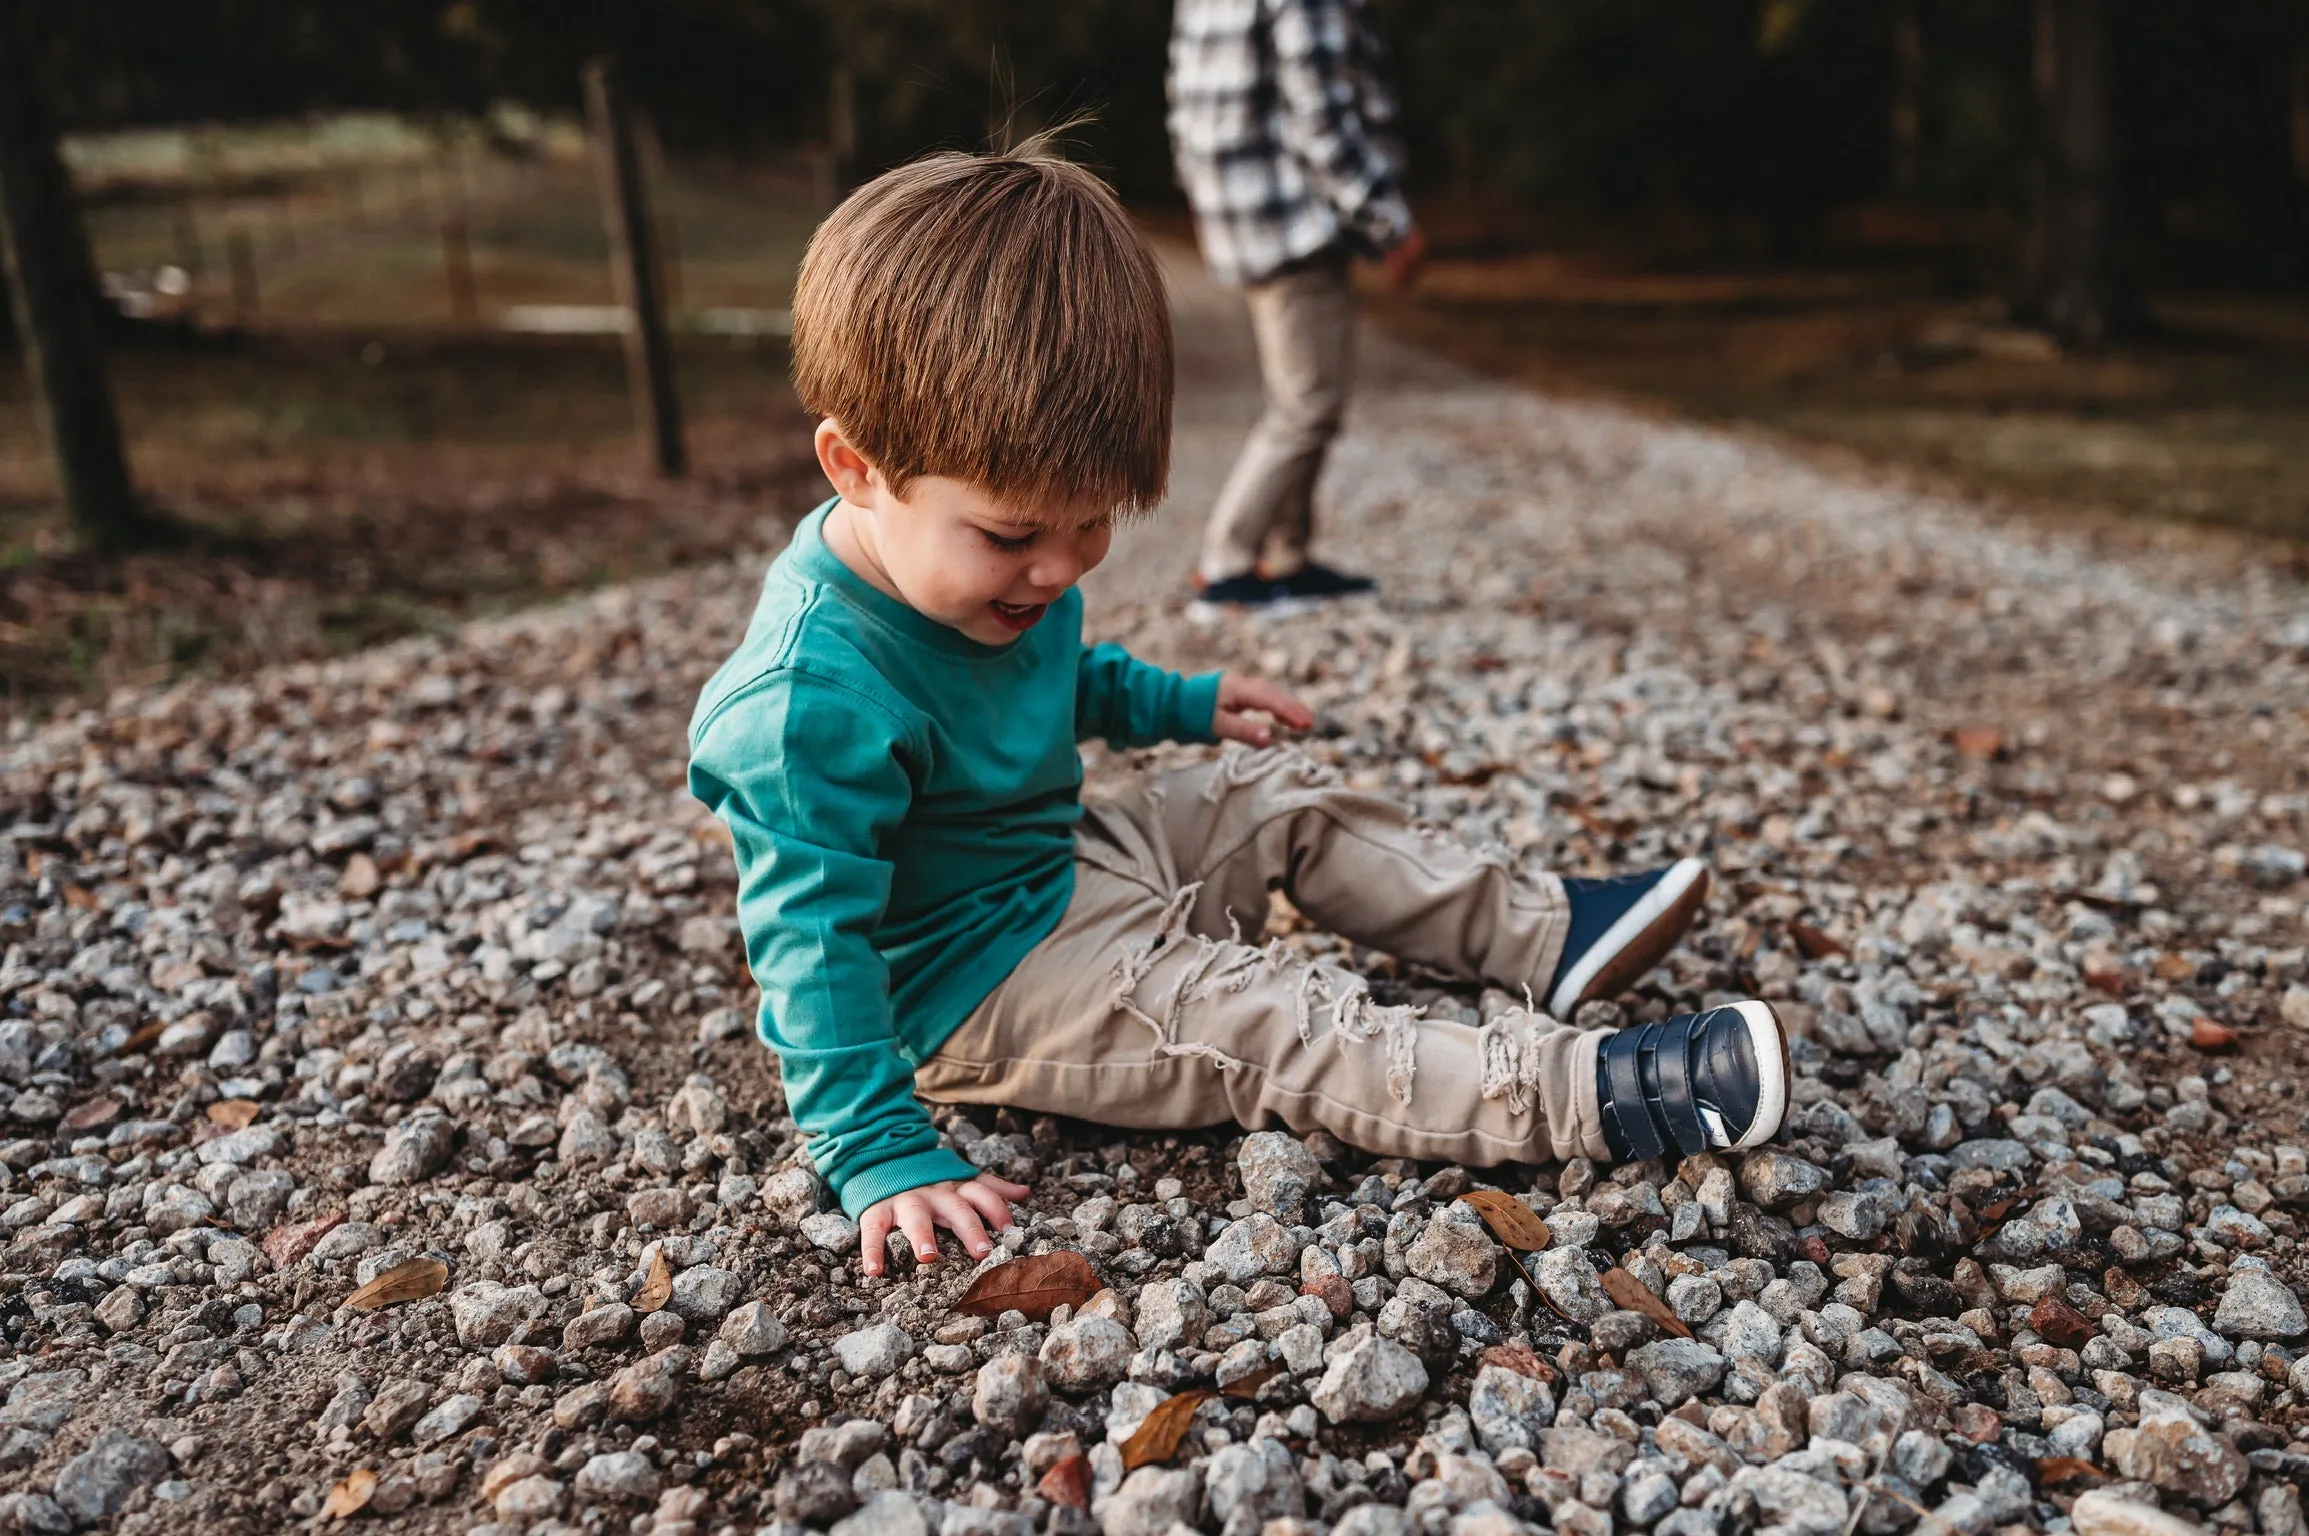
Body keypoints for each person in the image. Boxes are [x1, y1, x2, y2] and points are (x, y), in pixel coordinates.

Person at [687, 144, 1789, 1276]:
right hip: (980, 991)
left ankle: (1541, 934)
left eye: (1094, 524)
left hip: (1060, 862)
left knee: (1275, 795)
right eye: (1016, 535)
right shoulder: (802, 705)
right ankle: (1601, 1094)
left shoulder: (984, 574)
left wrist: (1183, 703)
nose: (1060, 569)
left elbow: (1052, 673)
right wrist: (877, 1152)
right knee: (1265, 1014)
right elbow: (808, 952)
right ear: (855, 466)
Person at [1168, 0, 1426, 609]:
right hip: (1294, 220)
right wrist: (1390, 222)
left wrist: (1206, 200)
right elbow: (1322, 120)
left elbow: (1180, 103)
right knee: (1310, 405)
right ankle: (1226, 562)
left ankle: (1287, 554)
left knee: (1298, 396)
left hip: (1244, 217)